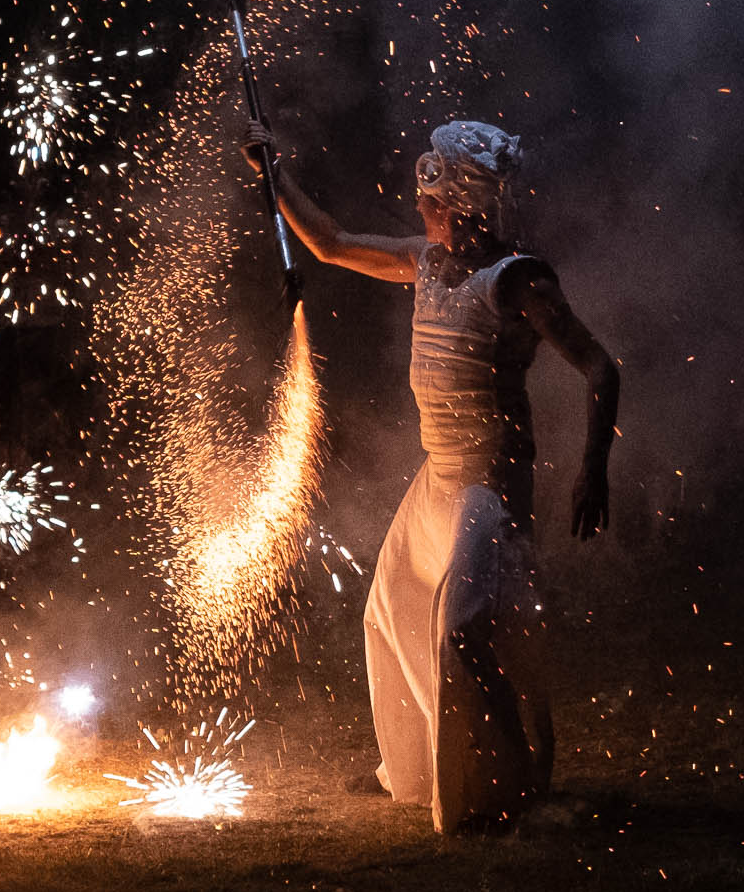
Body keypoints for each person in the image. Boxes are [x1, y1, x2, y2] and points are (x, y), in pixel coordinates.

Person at [245, 114, 622, 834]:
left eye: (429, 200)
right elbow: (330, 244)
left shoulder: (517, 280)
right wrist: (275, 174)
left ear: (459, 201)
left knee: (467, 630)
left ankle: (502, 795)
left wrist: (592, 468)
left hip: (489, 483)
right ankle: (417, 770)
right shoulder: (424, 261)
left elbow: (600, 366)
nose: (417, 209)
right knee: (389, 610)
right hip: (438, 478)